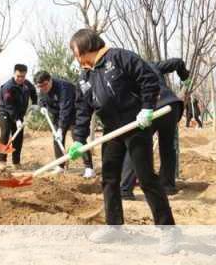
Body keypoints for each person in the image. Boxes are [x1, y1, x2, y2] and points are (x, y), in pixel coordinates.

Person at [66, 29, 177, 254]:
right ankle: (114, 225)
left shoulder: (119, 57)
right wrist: (78, 139)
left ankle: (168, 231)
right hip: (111, 130)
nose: (74, 55)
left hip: (136, 125)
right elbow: (82, 110)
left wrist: (146, 108)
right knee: (109, 177)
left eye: (74, 50)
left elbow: (149, 79)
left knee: (146, 178)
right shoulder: (84, 76)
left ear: (84, 46)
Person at [120, 58, 191, 200]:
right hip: (171, 106)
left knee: (136, 146)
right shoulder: (150, 64)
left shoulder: (123, 74)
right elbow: (177, 62)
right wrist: (185, 77)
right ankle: (168, 186)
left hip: (152, 107)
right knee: (167, 147)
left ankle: (125, 189)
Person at [34, 70, 95, 177]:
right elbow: (41, 98)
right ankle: (60, 166)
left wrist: (61, 128)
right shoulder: (42, 88)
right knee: (57, 140)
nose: (43, 88)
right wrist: (42, 106)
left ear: (50, 80)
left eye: (44, 85)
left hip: (74, 113)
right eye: (40, 86)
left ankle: (89, 168)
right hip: (58, 115)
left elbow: (65, 109)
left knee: (78, 139)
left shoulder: (63, 87)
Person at [0, 64, 38, 171]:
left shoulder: (27, 84)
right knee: (5, 134)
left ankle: (16, 162)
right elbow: (9, 106)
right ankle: (2, 160)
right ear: (14, 74)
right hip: (5, 112)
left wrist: (34, 104)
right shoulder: (8, 87)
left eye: (23, 76)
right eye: (18, 76)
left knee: (18, 138)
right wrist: (16, 120)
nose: (20, 79)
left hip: (20, 113)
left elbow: (34, 93)